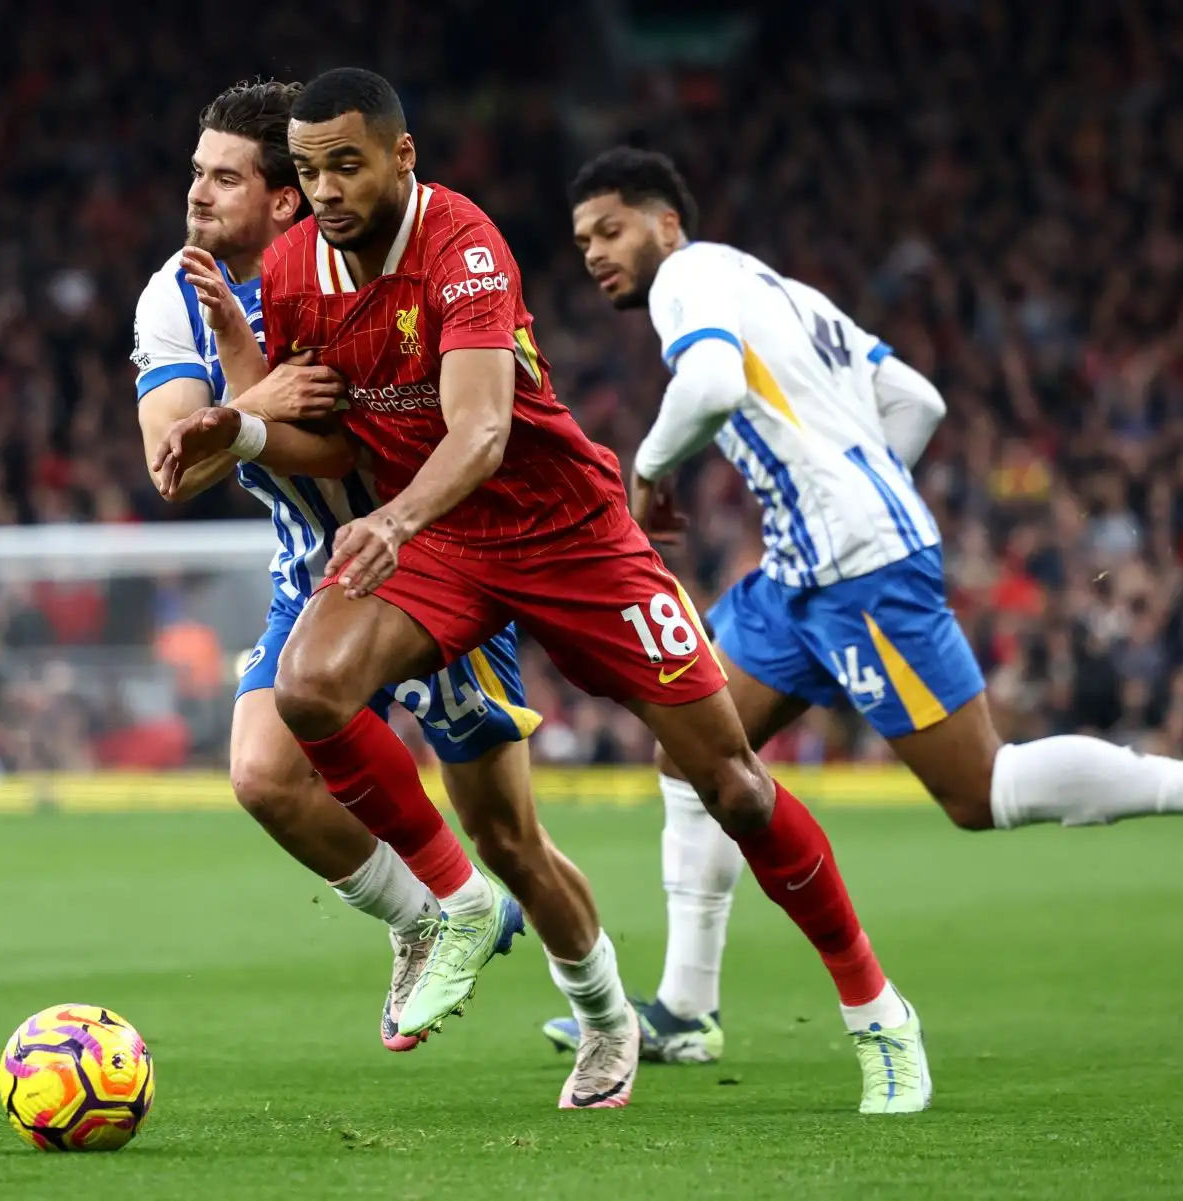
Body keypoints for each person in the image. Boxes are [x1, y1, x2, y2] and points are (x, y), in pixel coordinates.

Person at [155, 69, 932, 1115]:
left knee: (732, 783)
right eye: (309, 170)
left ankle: (877, 1011)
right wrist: (244, 426)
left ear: (402, 157)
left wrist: (388, 518)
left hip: (566, 536)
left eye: (348, 163)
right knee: (309, 685)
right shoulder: (294, 267)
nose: (328, 189)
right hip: (446, 544)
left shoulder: (462, 244)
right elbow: (332, 430)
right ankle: (454, 908)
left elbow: (479, 429)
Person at [542, 145, 1183, 1064]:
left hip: (856, 570)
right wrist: (860, 488)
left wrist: (649, 472)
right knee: (691, 750)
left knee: (980, 789)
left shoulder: (686, 278)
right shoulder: (784, 293)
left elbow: (714, 384)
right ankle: (686, 1012)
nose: (596, 253)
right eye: (581, 242)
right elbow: (916, 401)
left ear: (667, 223)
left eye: (611, 230)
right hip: (804, 568)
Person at [134, 79, 599, 1060]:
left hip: (443, 558)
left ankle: (611, 1015)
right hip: (318, 569)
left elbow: (345, 450)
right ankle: (423, 916)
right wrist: (262, 398)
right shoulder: (174, 293)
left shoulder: (369, 273)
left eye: (224, 178)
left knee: (509, 836)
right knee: (264, 776)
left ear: (286, 200)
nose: (197, 196)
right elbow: (174, 461)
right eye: (195, 174)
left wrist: (250, 416)